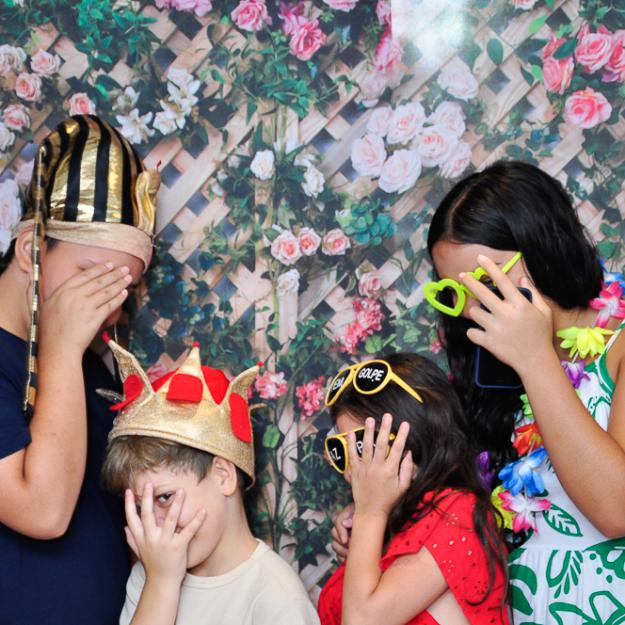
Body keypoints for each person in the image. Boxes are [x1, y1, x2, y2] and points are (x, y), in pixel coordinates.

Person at [423, 160, 625, 623]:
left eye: (487, 282)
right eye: (453, 292)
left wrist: (536, 360)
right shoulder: (493, 373)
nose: (472, 308)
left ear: (544, 248)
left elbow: (618, 509)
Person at [0, 114, 159, 625]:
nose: (108, 306)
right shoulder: (69, 352)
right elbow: (43, 512)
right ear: (31, 249)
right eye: (92, 276)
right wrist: (63, 350)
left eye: (123, 289)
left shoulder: (94, 368)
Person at [100, 337, 320, 625]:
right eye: (141, 508)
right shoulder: (151, 573)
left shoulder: (277, 602)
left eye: (164, 498)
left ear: (223, 476)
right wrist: (161, 582)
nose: (154, 525)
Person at [317, 353, 509, 625]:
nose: (354, 468)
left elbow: (362, 620)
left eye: (363, 446)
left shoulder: (460, 513)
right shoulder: (391, 520)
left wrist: (370, 513)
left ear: (414, 436)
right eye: (341, 449)